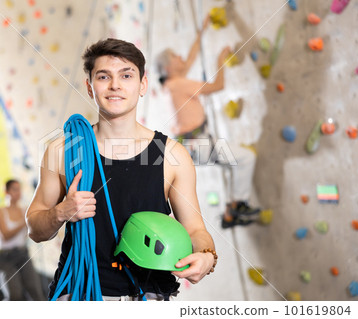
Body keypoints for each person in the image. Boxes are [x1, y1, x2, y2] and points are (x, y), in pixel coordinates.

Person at [26, 38, 217, 301]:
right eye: (104, 76)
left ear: (143, 85)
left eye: (126, 75)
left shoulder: (173, 156)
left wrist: (207, 256)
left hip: (147, 294)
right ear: (90, 88)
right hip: (79, 292)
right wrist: (60, 212)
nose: (115, 85)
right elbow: (35, 228)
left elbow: (195, 230)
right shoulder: (62, 151)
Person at [156, 17, 261, 229]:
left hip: (193, 144)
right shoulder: (179, 83)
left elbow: (191, 58)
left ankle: (232, 214)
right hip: (198, 143)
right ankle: (235, 208)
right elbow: (218, 86)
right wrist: (220, 61)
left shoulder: (171, 85)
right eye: (176, 57)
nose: (181, 58)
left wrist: (201, 32)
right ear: (168, 67)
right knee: (246, 158)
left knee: (238, 162)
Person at [0, 179, 45, 301]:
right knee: (14, 296)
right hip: (4, 258)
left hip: (22, 255)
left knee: (36, 293)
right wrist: (25, 220)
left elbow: (32, 232)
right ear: (6, 192)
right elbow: (6, 235)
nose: (18, 192)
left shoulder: (25, 210)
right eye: (14, 189)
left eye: (19, 189)